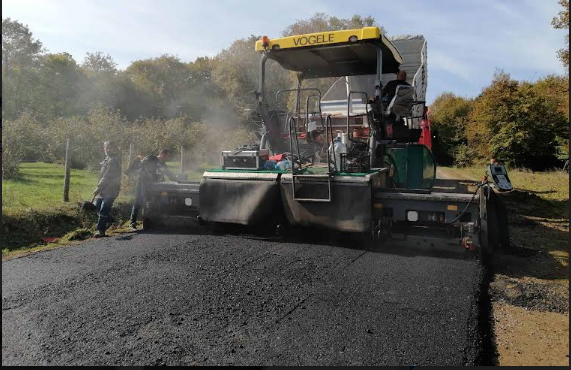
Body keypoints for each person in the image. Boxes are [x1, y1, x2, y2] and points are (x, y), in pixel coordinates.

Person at [127, 149, 178, 231]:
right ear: (162, 154)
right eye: (168, 156)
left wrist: (177, 181)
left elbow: (169, 174)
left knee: (151, 202)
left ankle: (150, 222)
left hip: (154, 187)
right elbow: (141, 168)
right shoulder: (151, 159)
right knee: (138, 202)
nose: (169, 158)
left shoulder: (162, 164)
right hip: (142, 183)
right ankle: (132, 223)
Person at [93, 141, 122, 238]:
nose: (108, 149)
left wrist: (99, 187)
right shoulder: (107, 159)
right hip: (103, 189)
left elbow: (107, 176)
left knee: (104, 209)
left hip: (111, 189)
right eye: (106, 148)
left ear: (115, 148)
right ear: (104, 148)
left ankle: (101, 231)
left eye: (110, 148)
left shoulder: (114, 160)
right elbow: (102, 176)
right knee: (97, 207)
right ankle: (112, 221)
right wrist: (99, 187)